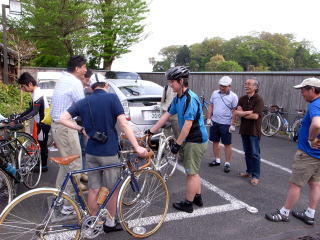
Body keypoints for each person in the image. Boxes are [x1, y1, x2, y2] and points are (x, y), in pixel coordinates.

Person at [59, 75, 148, 232]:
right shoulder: (112, 98)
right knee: (111, 189)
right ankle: (110, 223)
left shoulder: (83, 102)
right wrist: (137, 146)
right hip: (109, 153)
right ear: (105, 85)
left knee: (93, 189)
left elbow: (62, 118)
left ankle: (92, 224)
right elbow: (123, 124)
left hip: (91, 152)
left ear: (92, 87)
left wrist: (81, 129)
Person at [146, 66, 208, 213]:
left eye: (172, 82)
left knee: (191, 173)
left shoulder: (189, 99)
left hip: (195, 140)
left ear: (181, 81)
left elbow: (187, 126)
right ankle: (197, 197)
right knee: (194, 171)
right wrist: (150, 131)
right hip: (190, 139)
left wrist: (177, 144)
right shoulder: (178, 97)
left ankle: (188, 204)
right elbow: (166, 115)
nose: (170, 85)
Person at [265, 77, 320, 225]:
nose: (301, 92)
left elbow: (316, 124)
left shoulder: (315, 104)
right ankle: (310, 213)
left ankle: (284, 213)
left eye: (303, 89)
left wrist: (311, 138)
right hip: (318, 156)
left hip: (308, 154)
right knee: (315, 184)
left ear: (312, 90)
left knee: (295, 184)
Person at [51, 55, 87, 210]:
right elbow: (83, 106)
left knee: (66, 165)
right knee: (75, 164)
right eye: (84, 67)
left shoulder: (63, 79)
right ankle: (68, 205)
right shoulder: (74, 82)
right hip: (66, 127)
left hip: (58, 126)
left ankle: (59, 198)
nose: (85, 70)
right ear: (77, 68)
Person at [14, 72, 51, 172]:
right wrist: (20, 115)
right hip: (41, 123)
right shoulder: (35, 93)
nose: (22, 89)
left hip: (43, 124)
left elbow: (35, 111)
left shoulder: (38, 93)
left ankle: (43, 166)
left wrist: (21, 119)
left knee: (43, 145)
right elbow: (31, 108)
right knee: (40, 143)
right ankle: (41, 163)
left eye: (23, 86)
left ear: (29, 84)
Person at [234, 78, 264, 186]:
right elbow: (236, 112)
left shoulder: (259, 100)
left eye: (249, 84)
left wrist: (243, 113)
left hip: (254, 131)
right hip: (244, 130)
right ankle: (249, 171)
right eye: (246, 84)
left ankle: (256, 176)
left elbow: (255, 116)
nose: (246, 86)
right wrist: (247, 112)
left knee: (255, 154)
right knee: (247, 153)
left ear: (255, 87)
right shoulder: (242, 98)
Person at [207, 76, 238, 173]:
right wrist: (208, 118)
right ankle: (217, 160)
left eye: (224, 86)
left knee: (227, 144)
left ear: (230, 86)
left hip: (226, 124)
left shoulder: (233, 96)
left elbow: (235, 111)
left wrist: (233, 124)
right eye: (221, 86)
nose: (222, 88)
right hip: (215, 122)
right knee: (215, 142)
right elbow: (211, 105)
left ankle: (227, 163)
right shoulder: (215, 93)